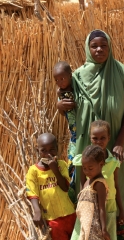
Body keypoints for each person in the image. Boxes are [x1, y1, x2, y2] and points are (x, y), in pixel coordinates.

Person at [57, 30, 124, 239]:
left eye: (104, 45)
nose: (99, 49)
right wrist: (59, 106)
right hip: (87, 145)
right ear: (88, 49)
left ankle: (120, 232)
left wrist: (119, 142)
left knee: (117, 188)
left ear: (109, 47)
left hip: (114, 145)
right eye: (94, 46)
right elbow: (69, 108)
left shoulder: (121, 72)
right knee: (86, 190)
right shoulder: (78, 76)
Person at [72, 120, 124, 240]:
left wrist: (121, 209)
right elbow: (81, 185)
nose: (99, 141)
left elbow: (116, 186)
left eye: (103, 138)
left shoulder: (113, 162)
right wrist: (80, 205)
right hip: (88, 207)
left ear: (109, 138)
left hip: (109, 206)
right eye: (95, 138)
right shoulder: (84, 160)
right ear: (90, 138)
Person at [25, 133, 76, 240]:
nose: (48, 154)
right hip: (53, 220)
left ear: (57, 149)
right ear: (37, 150)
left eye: (52, 149)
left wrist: (55, 169)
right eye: (43, 150)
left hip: (70, 214)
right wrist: (37, 212)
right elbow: (32, 193)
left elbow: (65, 187)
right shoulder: (33, 171)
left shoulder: (61, 165)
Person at [53, 61, 77, 206]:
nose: (60, 82)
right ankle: (73, 203)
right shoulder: (61, 94)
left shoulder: (78, 88)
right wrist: (59, 105)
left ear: (70, 75)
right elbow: (63, 114)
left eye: (63, 78)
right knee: (72, 167)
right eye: (57, 80)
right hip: (74, 138)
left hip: (85, 135)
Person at [76, 144, 110, 240]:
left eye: (90, 168)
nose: (87, 171)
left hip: (94, 228)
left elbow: (102, 208)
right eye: (84, 168)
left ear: (101, 164)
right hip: (85, 226)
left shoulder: (99, 184)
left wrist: (104, 229)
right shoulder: (88, 181)